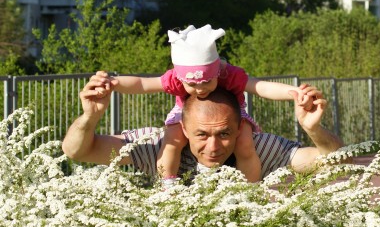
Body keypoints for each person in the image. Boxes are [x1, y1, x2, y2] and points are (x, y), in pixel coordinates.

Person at [107, 24, 314, 183]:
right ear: (181, 78)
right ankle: (168, 184)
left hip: (231, 115)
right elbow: (142, 84)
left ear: (216, 71)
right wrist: (114, 83)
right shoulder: (175, 78)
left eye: (207, 81)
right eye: (192, 85)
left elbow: (260, 87)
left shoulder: (228, 74)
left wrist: (292, 92)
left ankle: (250, 188)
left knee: (244, 143)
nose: (200, 89)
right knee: (171, 141)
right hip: (185, 113)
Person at [62, 71, 345, 180]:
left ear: (240, 128)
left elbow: (332, 161)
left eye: (224, 134)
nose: (213, 147)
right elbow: (78, 151)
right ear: (182, 129)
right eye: (201, 134)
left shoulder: (258, 148)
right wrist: (89, 118)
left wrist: (313, 130)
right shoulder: (156, 146)